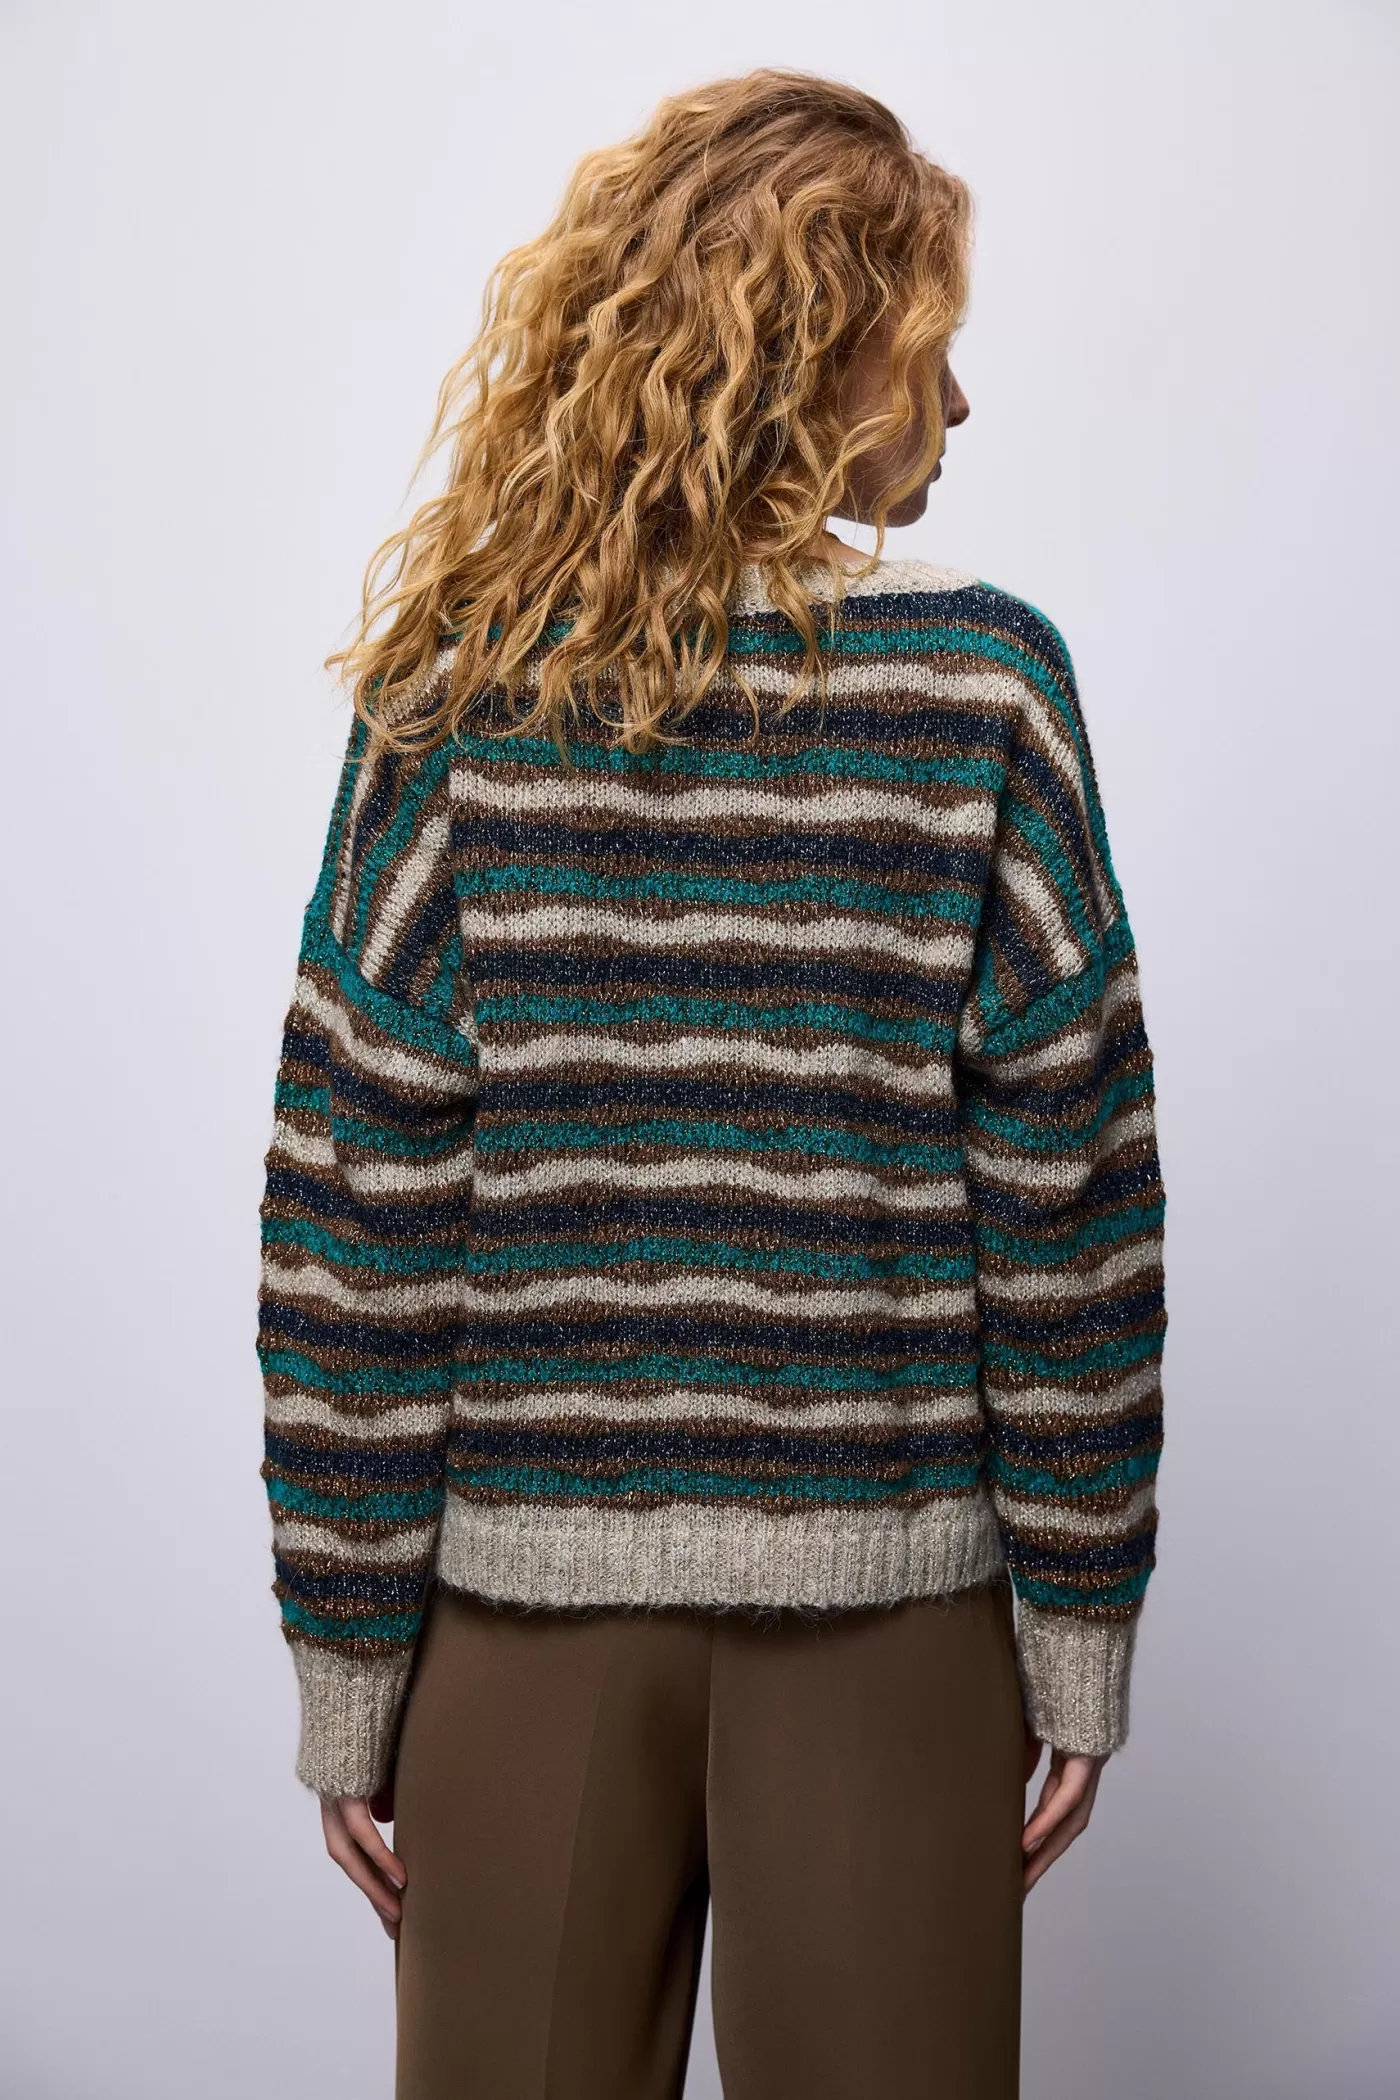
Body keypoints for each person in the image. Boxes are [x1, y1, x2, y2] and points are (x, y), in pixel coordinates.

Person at [256, 66, 1166, 2099]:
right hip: (893, 1627)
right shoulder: (983, 692)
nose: (958, 404)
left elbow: (355, 1205)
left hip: (520, 1634)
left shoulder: (464, 698)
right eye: (930, 348)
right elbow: (1074, 1202)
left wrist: (347, 1668)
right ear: (818, 345)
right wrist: (1080, 1635)